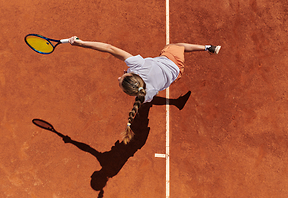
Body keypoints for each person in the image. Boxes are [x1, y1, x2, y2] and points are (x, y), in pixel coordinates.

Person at [67, 36, 221, 144]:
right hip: (174, 62)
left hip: (174, 77)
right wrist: (80, 43)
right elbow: (109, 48)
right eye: (121, 80)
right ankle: (208, 48)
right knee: (174, 46)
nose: (118, 78)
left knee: (149, 101)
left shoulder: (146, 95)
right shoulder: (137, 65)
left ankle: (176, 102)